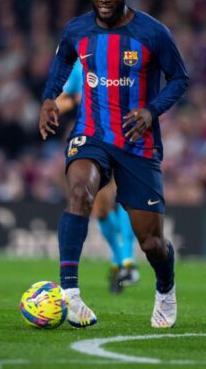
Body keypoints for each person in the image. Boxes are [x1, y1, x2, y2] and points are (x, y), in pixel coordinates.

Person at [39, 0, 188, 328]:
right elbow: (60, 65)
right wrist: (48, 99)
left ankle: (166, 288)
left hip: (138, 143)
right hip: (91, 134)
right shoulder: (77, 30)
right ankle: (69, 295)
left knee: (151, 242)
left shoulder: (153, 33)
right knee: (79, 191)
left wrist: (152, 111)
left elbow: (180, 78)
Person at [55, 60, 139, 294]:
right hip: (89, 135)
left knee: (122, 191)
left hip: (120, 131)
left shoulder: (124, 57)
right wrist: (54, 107)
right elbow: (68, 97)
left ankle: (128, 261)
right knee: (100, 208)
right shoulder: (79, 65)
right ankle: (119, 259)